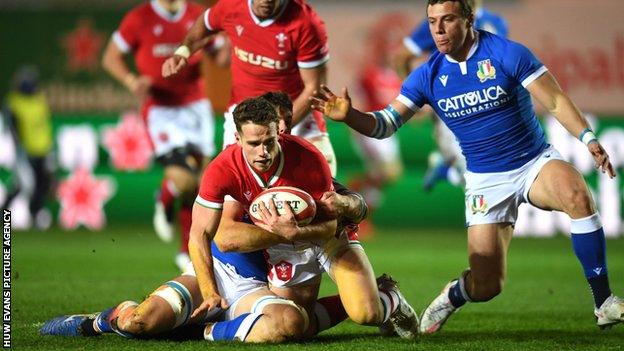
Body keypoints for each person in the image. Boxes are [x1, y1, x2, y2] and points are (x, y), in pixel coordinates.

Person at [311, 0, 623, 333]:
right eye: (432, 22)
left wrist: (588, 138)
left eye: (447, 20)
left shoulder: (507, 53)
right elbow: (386, 124)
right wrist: (350, 116)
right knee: (487, 286)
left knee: (577, 195)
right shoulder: (428, 75)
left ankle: (603, 302)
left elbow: (556, 100)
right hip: (485, 181)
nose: (438, 30)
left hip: (532, 162)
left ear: (469, 19)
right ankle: (455, 294)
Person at [40, 96, 417, 342]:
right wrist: (210, 289)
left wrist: (304, 226)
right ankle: (101, 320)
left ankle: (194, 331)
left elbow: (336, 219)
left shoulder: (308, 159)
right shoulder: (224, 170)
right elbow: (211, 236)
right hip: (233, 269)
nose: (264, 151)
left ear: (280, 131)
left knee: (301, 322)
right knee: (140, 322)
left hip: (309, 243)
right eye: (254, 143)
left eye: (270, 140)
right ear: (236, 138)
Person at [102, 0, 224, 271]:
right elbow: (110, 57)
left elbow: (221, 55)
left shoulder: (196, 14)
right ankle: (166, 193)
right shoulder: (140, 18)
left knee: (202, 184)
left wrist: (233, 41)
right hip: (161, 111)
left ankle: (185, 250)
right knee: (183, 179)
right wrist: (133, 82)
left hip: (196, 108)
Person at [162, 0, 337, 176]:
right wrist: (183, 52)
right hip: (243, 113)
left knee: (325, 188)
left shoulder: (306, 23)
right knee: (231, 185)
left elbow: (314, 88)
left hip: (294, 114)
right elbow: (205, 24)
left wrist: (278, 126)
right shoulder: (232, 7)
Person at [394, 0, 508, 192]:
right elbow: (402, 57)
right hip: (450, 103)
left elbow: (500, 65)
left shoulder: (496, 22)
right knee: (474, 171)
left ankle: (448, 169)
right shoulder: (441, 20)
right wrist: (416, 99)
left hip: (485, 104)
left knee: (490, 168)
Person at [348, 14, 406, 238]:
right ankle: (359, 207)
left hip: (390, 131)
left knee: (385, 176)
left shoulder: (395, 77)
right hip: (372, 129)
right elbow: (362, 100)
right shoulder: (370, 75)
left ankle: (360, 214)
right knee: (389, 172)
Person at [2, 65, 54, 229]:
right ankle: (5, 215)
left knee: (42, 184)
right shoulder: (13, 102)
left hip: (42, 150)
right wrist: (18, 148)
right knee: (24, 185)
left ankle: (35, 215)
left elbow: (44, 125)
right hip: (24, 151)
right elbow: (12, 128)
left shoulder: (39, 100)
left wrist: (50, 148)